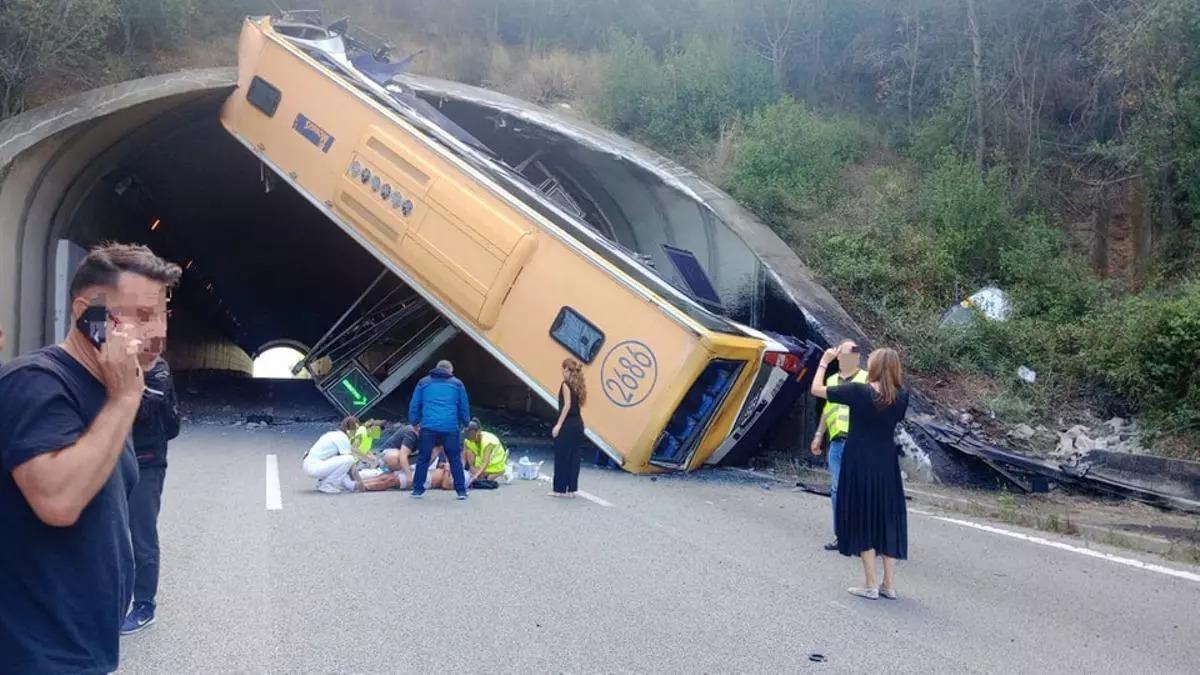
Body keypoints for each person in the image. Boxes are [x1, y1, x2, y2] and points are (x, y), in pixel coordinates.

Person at [0, 243, 180, 673]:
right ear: (88, 314)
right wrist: (124, 400)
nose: (156, 333)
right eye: (138, 315)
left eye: (160, 314)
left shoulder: (106, 389)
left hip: (83, 645)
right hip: (35, 653)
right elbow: (58, 501)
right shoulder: (37, 383)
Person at [811, 345, 909, 600]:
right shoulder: (902, 397)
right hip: (887, 464)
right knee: (886, 519)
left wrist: (824, 362)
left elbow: (816, 390)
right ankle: (889, 584)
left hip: (859, 461)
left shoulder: (858, 391)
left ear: (874, 368)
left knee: (863, 517)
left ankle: (871, 584)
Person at [121, 356, 182, 635]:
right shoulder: (103, 358)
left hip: (147, 460)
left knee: (141, 535)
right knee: (105, 534)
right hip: (110, 460)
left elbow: (143, 409)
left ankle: (144, 605)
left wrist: (119, 379)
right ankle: (108, 603)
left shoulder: (156, 367)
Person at [810, 340, 868, 552]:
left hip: (859, 444)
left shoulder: (867, 379)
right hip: (837, 443)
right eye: (845, 353)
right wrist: (819, 434)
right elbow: (828, 409)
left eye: (854, 353)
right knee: (837, 489)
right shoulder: (833, 380)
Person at [408, 359, 470, 500]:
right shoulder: (457, 384)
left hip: (428, 426)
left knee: (423, 457)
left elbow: (415, 404)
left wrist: (414, 421)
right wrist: (465, 422)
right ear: (450, 371)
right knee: (454, 458)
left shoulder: (423, 383)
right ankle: (461, 491)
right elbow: (463, 406)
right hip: (450, 427)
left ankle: (418, 490)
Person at [550, 357, 587, 498]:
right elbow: (578, 406)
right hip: (578, 423)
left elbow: (567, 405)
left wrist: (558, 425)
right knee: (574, 457)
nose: (562, 371)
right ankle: (571, 489)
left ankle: (558, 489)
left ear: (566, 369)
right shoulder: (579, 385)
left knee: (562, 456)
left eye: (562, 368)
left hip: (568, 424)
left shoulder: (565, 384)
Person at [303, 417, 360, 494]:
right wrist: (360, 482)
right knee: (349, 459)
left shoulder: (333, 434)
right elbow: (350, 465)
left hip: (309, 464)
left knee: (342, 461)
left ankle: (323, 482)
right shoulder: (343, 438)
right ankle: (327, 484)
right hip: (314, 467)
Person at [462, 418, 509, 484]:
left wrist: (475, 476)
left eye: (470, 435)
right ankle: (476, 470)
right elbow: (463, 458)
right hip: (481, 460)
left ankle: (501, 471)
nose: (469, 437)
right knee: (469, 451)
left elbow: (485, 462)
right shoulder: (467, 440)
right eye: (467, 435)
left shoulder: (487, 442)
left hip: (495, 462)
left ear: (478, 432)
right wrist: (461, 470)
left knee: (487, 479)